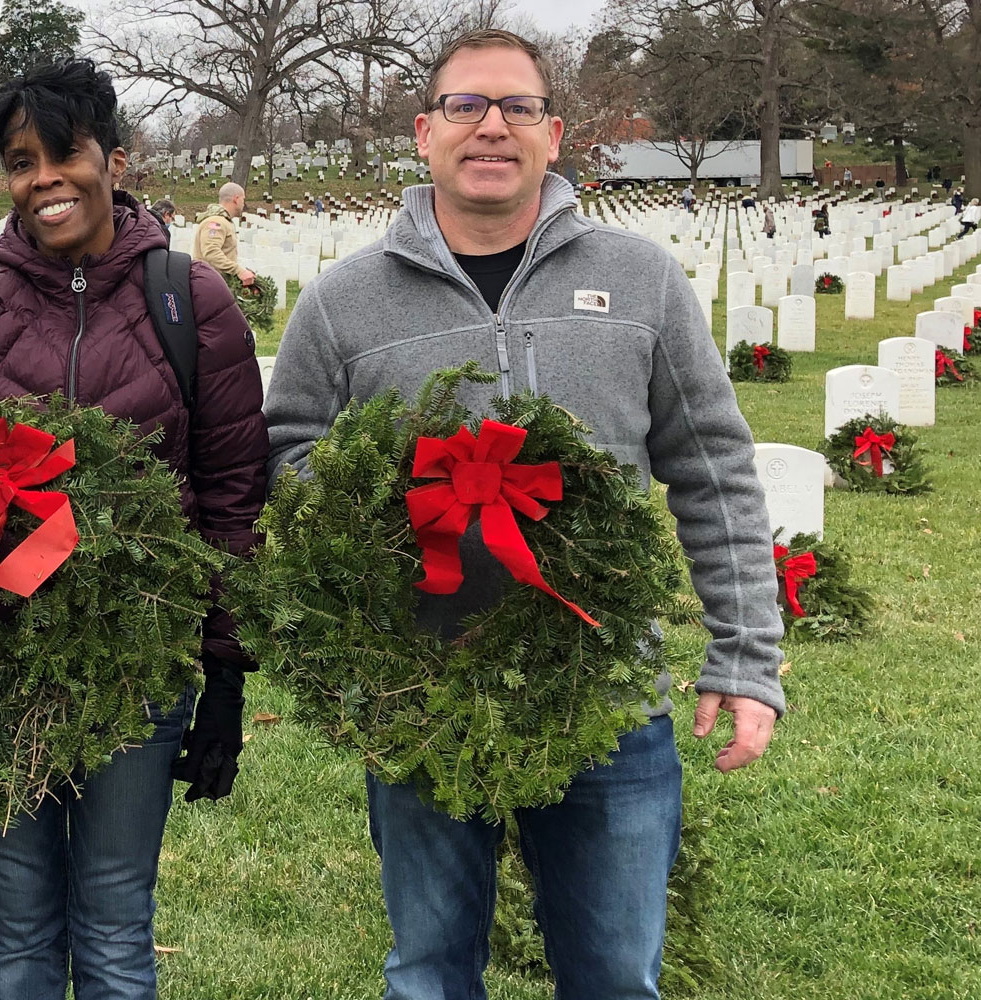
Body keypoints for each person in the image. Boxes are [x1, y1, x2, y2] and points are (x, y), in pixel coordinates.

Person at [264, 29, 784, 1000]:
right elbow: (286, 460)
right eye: (465, 106)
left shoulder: (639, 282)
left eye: (517, 107)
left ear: (553, 134)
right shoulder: (342, 302)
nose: (490, 126)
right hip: (420, 688)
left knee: (612, 974)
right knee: (427, 971)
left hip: (608, 691)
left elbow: (710, 468)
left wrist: (744, 652)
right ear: (424, 133)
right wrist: (384, 512)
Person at [0, 59, 266, 1000]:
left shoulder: (195, 304)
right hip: (2, 665)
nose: (45, 178)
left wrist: (223, 666)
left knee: (112, 923)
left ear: (116, 158)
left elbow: (231, 497)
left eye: (65, 153)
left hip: (142, 668)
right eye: (23, 161)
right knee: (19, 927)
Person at [193, 181, 254, 288]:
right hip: (211, 284)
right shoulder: (216, 222)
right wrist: (238, 271)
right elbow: (211, 252)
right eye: (243, 199)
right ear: (236, 199)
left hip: (218, 282)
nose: (243, 204)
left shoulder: (224, 221)